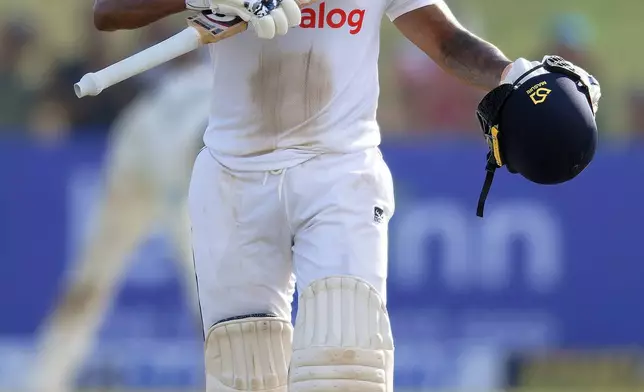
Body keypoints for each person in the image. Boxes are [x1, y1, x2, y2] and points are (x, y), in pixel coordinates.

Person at [91, 0, 601, 391]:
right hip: (233, 180)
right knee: (244, 372)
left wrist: (512, 73)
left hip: (340, 173)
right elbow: (109, 11)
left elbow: (446, 40)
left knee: (345, 366)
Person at [28, 49, 210, 392]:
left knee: (215, 300)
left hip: (183, 152)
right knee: (90, 281)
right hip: (138, 155)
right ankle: (44, 382)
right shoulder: (189, 150)